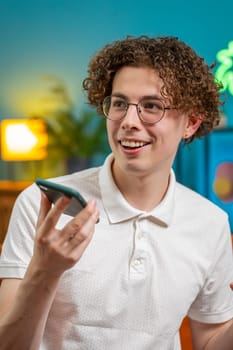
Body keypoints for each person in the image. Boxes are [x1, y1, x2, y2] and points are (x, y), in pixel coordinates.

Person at [0, 35, 233, 350]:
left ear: (191, 122)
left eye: (151, 106)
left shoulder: (211, 224)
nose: (129, 122)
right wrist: (45, 270)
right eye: (120, 103)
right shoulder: (44, 206)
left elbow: (211, 341)